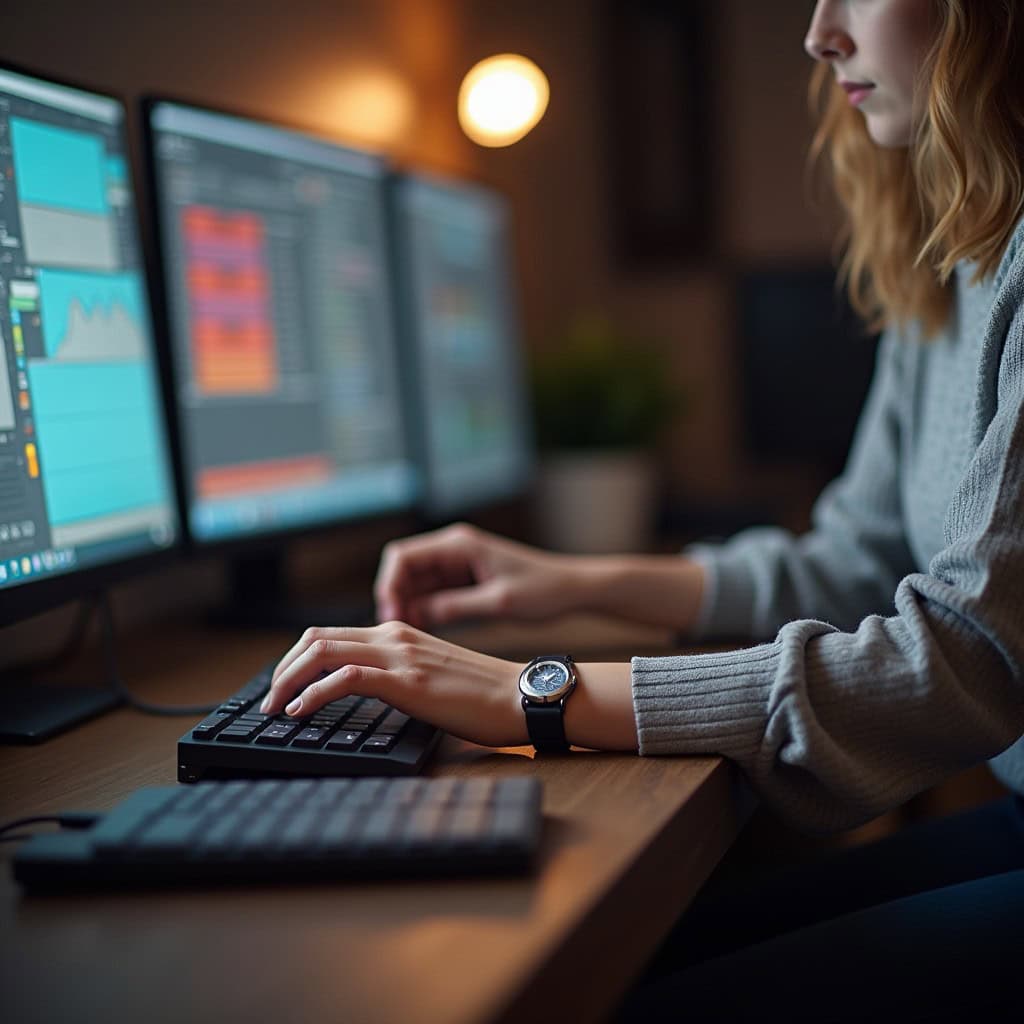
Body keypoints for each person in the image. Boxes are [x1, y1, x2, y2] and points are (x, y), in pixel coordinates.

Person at [261, 0, 1024, 1017]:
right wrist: (563, 579)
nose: (817, 32)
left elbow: (966, 660)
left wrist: (535, 695)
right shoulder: (957, 249)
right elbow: (856, 557)